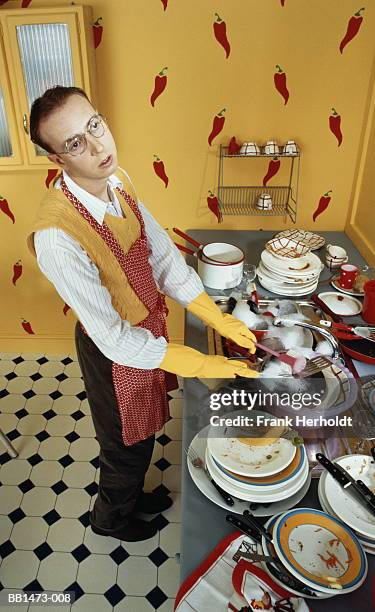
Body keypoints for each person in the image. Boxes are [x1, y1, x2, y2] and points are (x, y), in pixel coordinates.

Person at [27, 86, 258, 542]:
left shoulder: (118, 181)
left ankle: (133, 496)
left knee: (148, 427)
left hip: (149, 332)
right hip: (113, 351)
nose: (97, 146)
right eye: (75, 143)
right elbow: (112, 338)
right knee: (124, 447)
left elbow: (163, 257)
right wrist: (198, 363)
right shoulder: (57, 236)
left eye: (94, 125)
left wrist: (215, 316)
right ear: (58, 160)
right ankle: (110, 519)